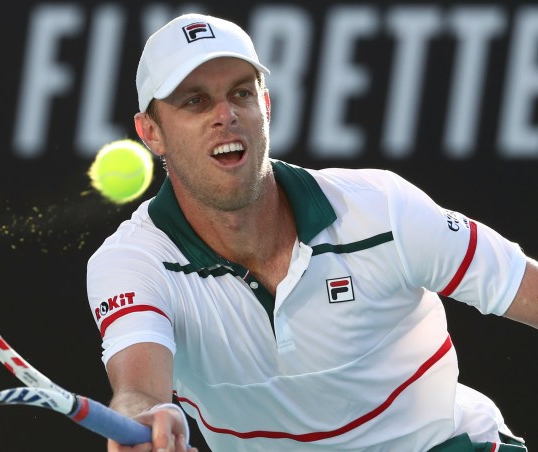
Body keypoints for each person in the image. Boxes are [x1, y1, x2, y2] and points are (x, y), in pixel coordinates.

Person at [85, 12, 537, 452]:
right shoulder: (131, 262)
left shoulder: (382, 210)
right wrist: (146, 419)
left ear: (265, 106)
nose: (225, 114)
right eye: (194, 101)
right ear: (151, 133)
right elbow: (140, 392)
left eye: (241, 93)